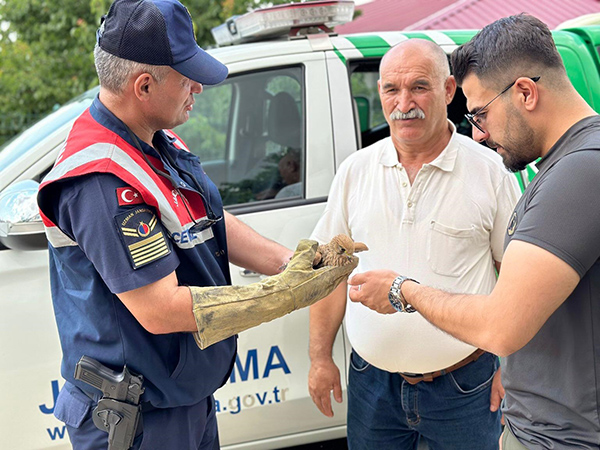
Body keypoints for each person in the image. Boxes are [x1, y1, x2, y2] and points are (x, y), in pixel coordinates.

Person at [36, 1, 353, 449]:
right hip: (138, 420)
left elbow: (209, 220)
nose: (198, 88)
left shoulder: (155, 138)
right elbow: (160, 309)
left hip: (179, 401)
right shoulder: (102, 180)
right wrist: (281, 296)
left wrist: (291, 262)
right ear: (143, 86)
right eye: (187, 76)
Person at [349, 15, 600, 450]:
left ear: (525, 92)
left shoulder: (580, 172)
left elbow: (501, 326)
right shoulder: (568, 164)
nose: (479, 134)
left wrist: (402, 290)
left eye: (481, 113)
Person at [309, 39, 521, 449]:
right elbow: (330, 273)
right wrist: (319, 357)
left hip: (466, 387)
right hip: (372, 386)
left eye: (419, 87)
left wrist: (514, 368)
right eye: (391, 89)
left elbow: (518, 277)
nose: (404, 102)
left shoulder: (489, 171)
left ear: (448, 90)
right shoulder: (355, 170)